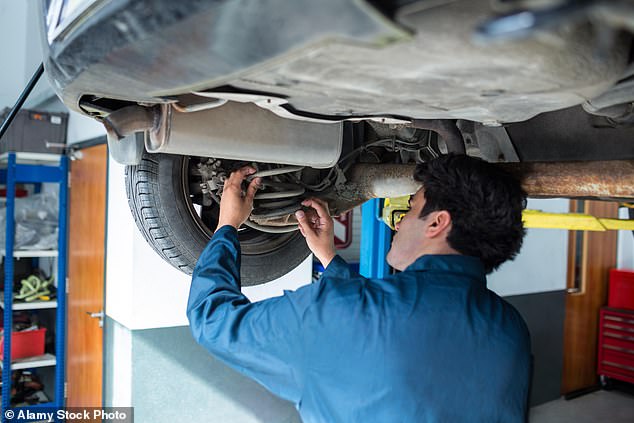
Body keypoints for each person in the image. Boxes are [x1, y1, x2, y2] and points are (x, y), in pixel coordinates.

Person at [187, 154, 531, 423]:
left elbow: (212, 321)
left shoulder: (340, 311)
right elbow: (383, 332)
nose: (400, 221)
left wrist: (227, 226)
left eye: (410, 209)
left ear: (438, 223)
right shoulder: (509, 329)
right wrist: (329, 258)